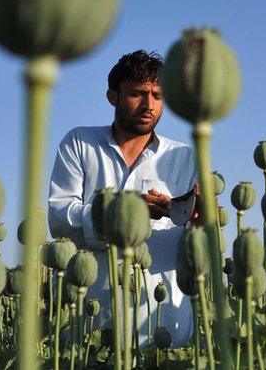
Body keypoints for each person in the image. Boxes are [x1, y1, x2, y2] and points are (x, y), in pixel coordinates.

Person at [48, 50, 200, 346]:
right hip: (91, 321)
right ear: (112, 96)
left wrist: (197, 217)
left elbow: (195, 239)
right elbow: (59, 218)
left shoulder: (184, 156)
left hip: (162, 321)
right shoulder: (80, 143)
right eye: (137, 93)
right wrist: (125, 215)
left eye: (157, 95)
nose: (149, 104)